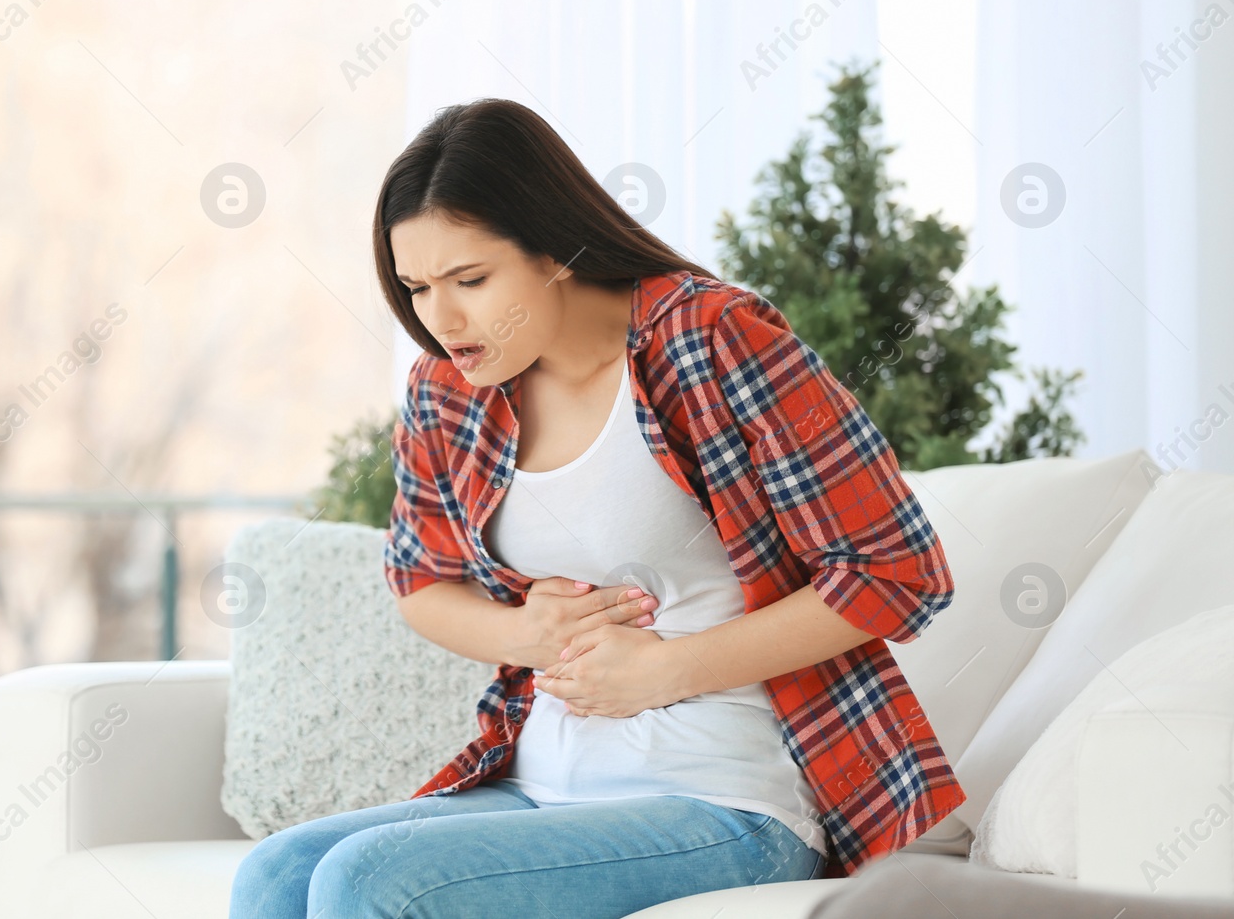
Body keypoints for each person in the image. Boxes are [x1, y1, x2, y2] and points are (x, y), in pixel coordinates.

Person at [228, 98, 966, 919]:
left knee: (369, 880)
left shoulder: (712, 338)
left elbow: (899, 571)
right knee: (275, 874)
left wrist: (667, 669)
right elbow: (419, 581)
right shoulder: (449, 390)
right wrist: (520, 633)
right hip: (539, 782)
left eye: (471, 280)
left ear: (556, 250)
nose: (442, 319)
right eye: (418, 288)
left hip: (723, 799)